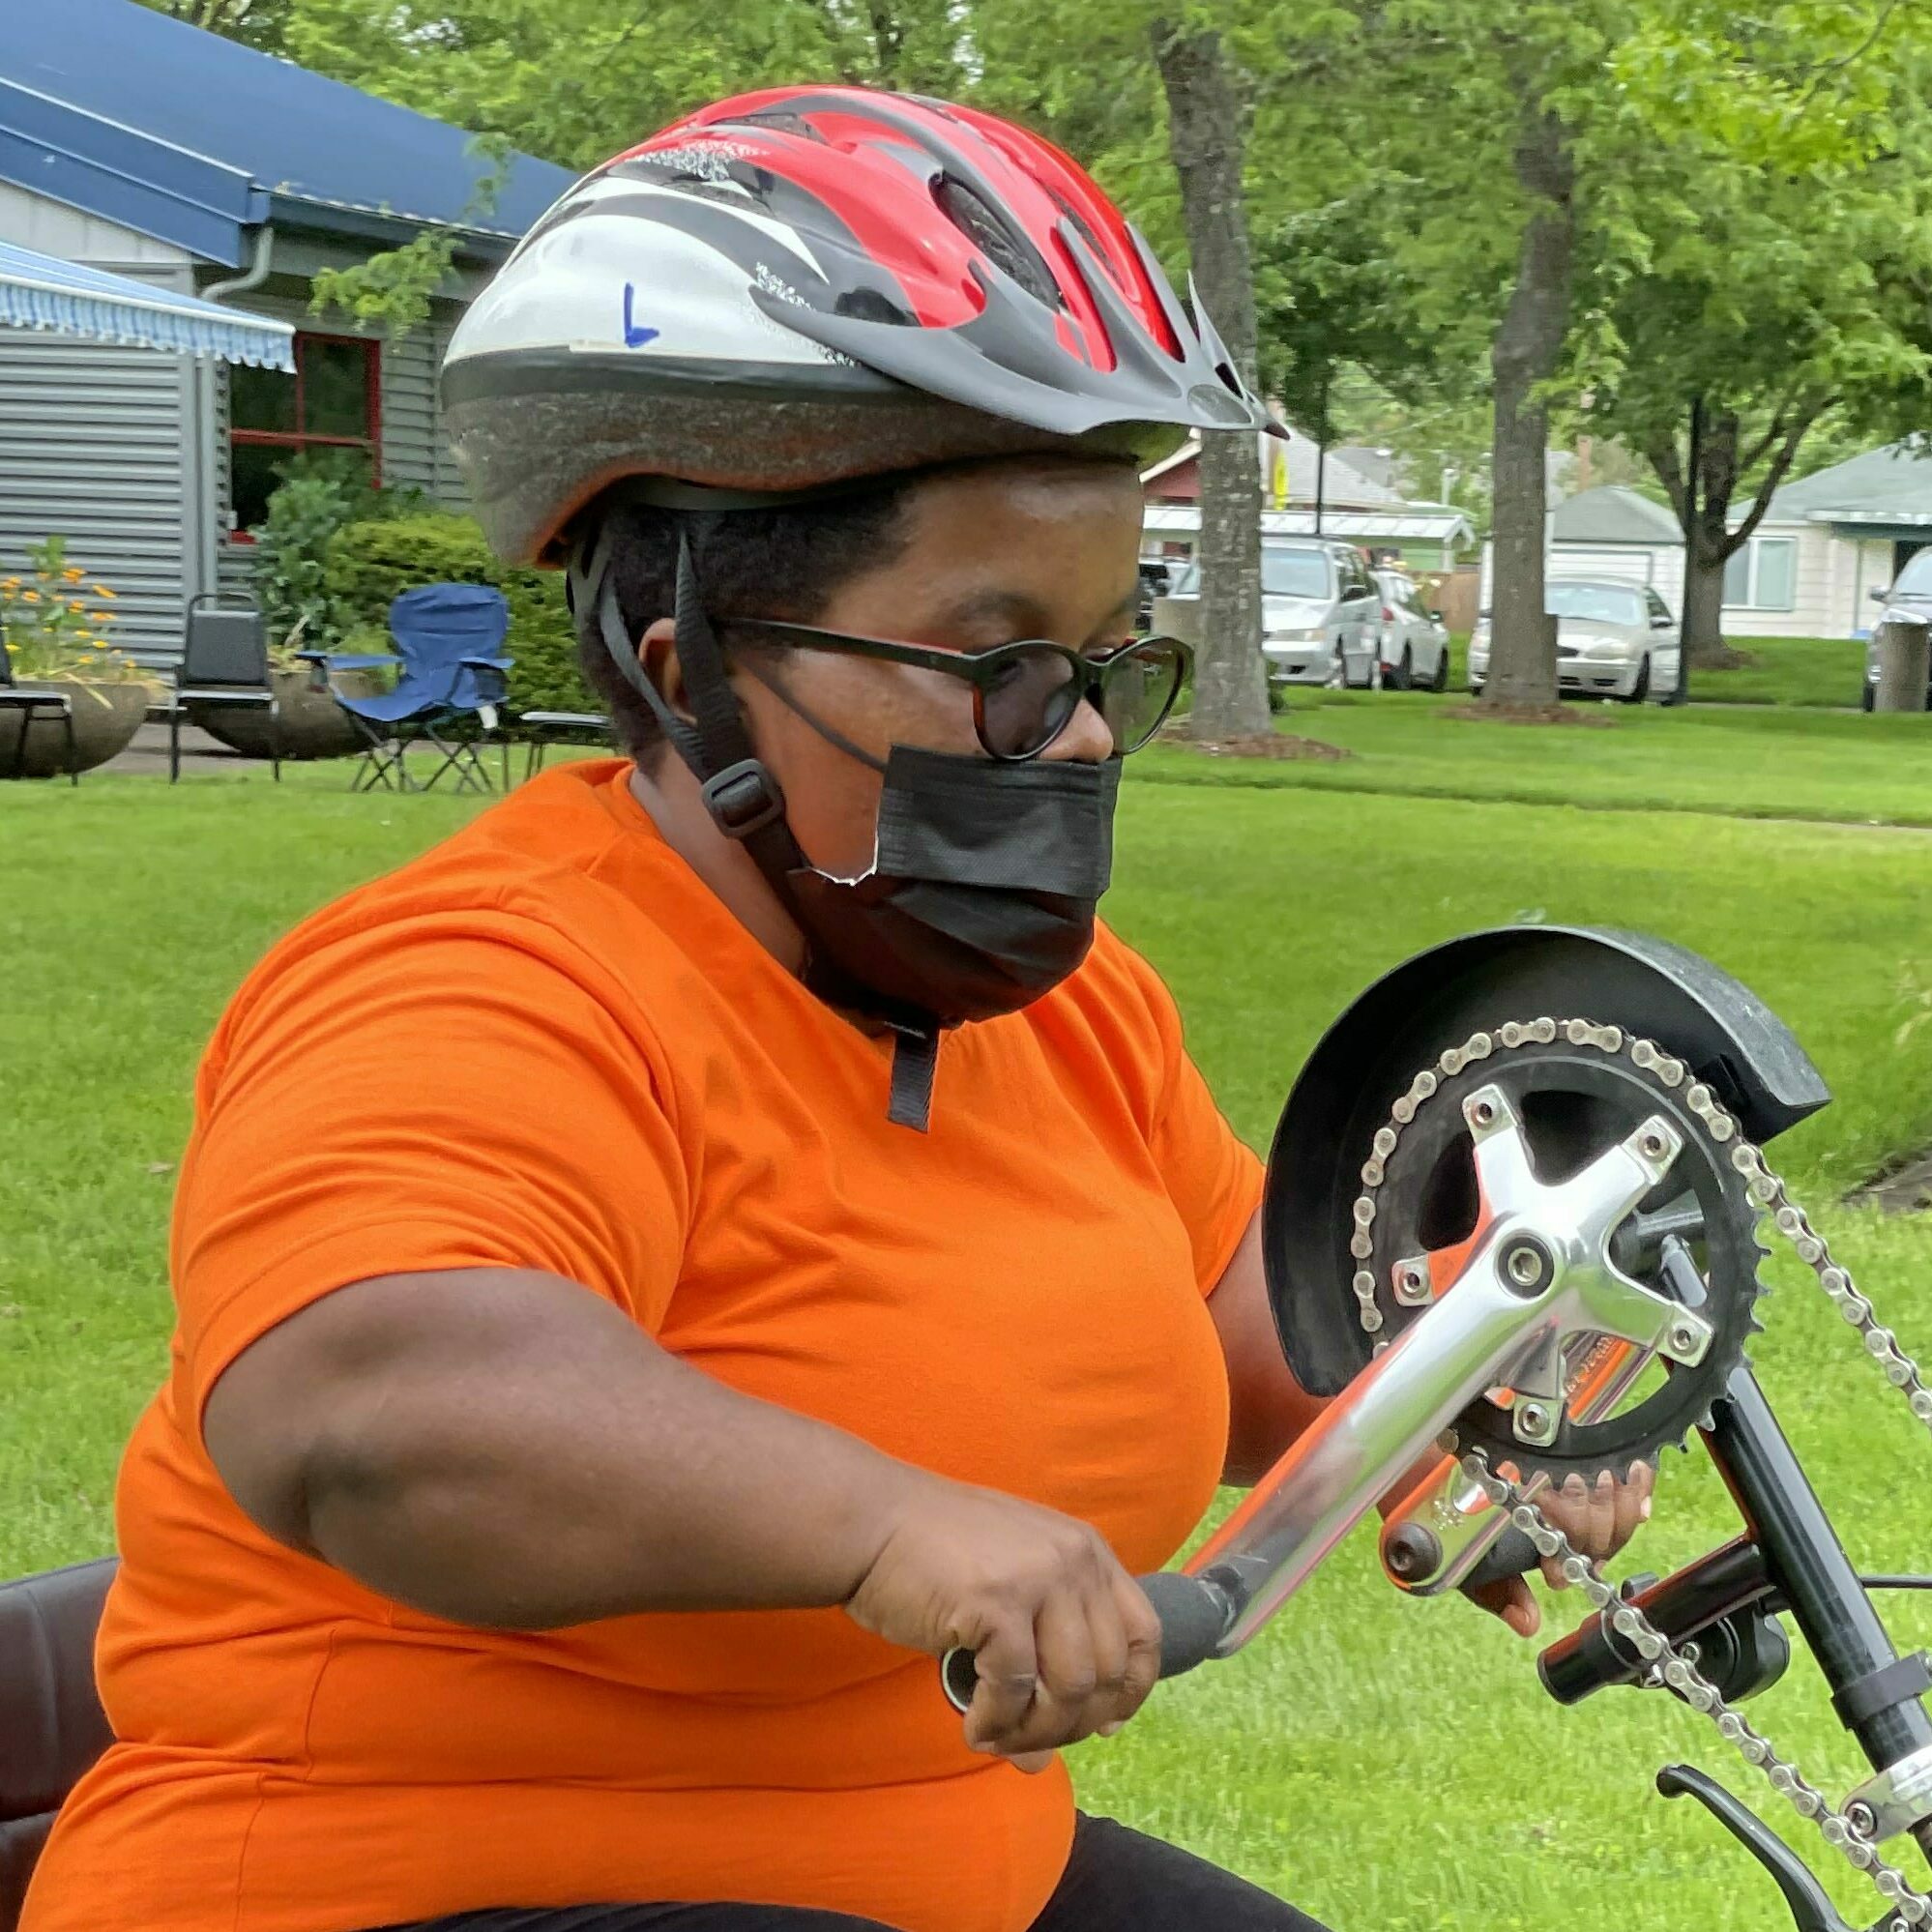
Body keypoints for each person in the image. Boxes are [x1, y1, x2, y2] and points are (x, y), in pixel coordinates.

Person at [21, 86, 1652, 1932]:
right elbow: (376, 1404)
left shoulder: (1057, 1014)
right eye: (993, 660)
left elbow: (1253, 1339)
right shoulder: (481, 981)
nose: (1085, 727)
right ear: (687, 667)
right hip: (401, 1880)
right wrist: (886, 1525)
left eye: (1108, 655)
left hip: (924, 1875)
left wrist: (1487, 1378)